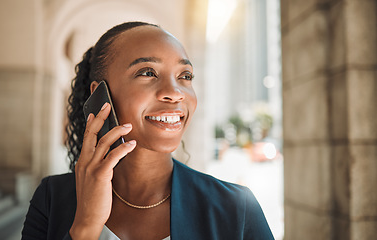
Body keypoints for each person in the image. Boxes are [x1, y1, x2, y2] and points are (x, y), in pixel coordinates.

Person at [22, 21, 274, 240]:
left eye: (185, 75)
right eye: (147, 72)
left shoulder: (237, 208)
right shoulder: (51, 198)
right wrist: (85, 228)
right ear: (100, 95)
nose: (175, 93)